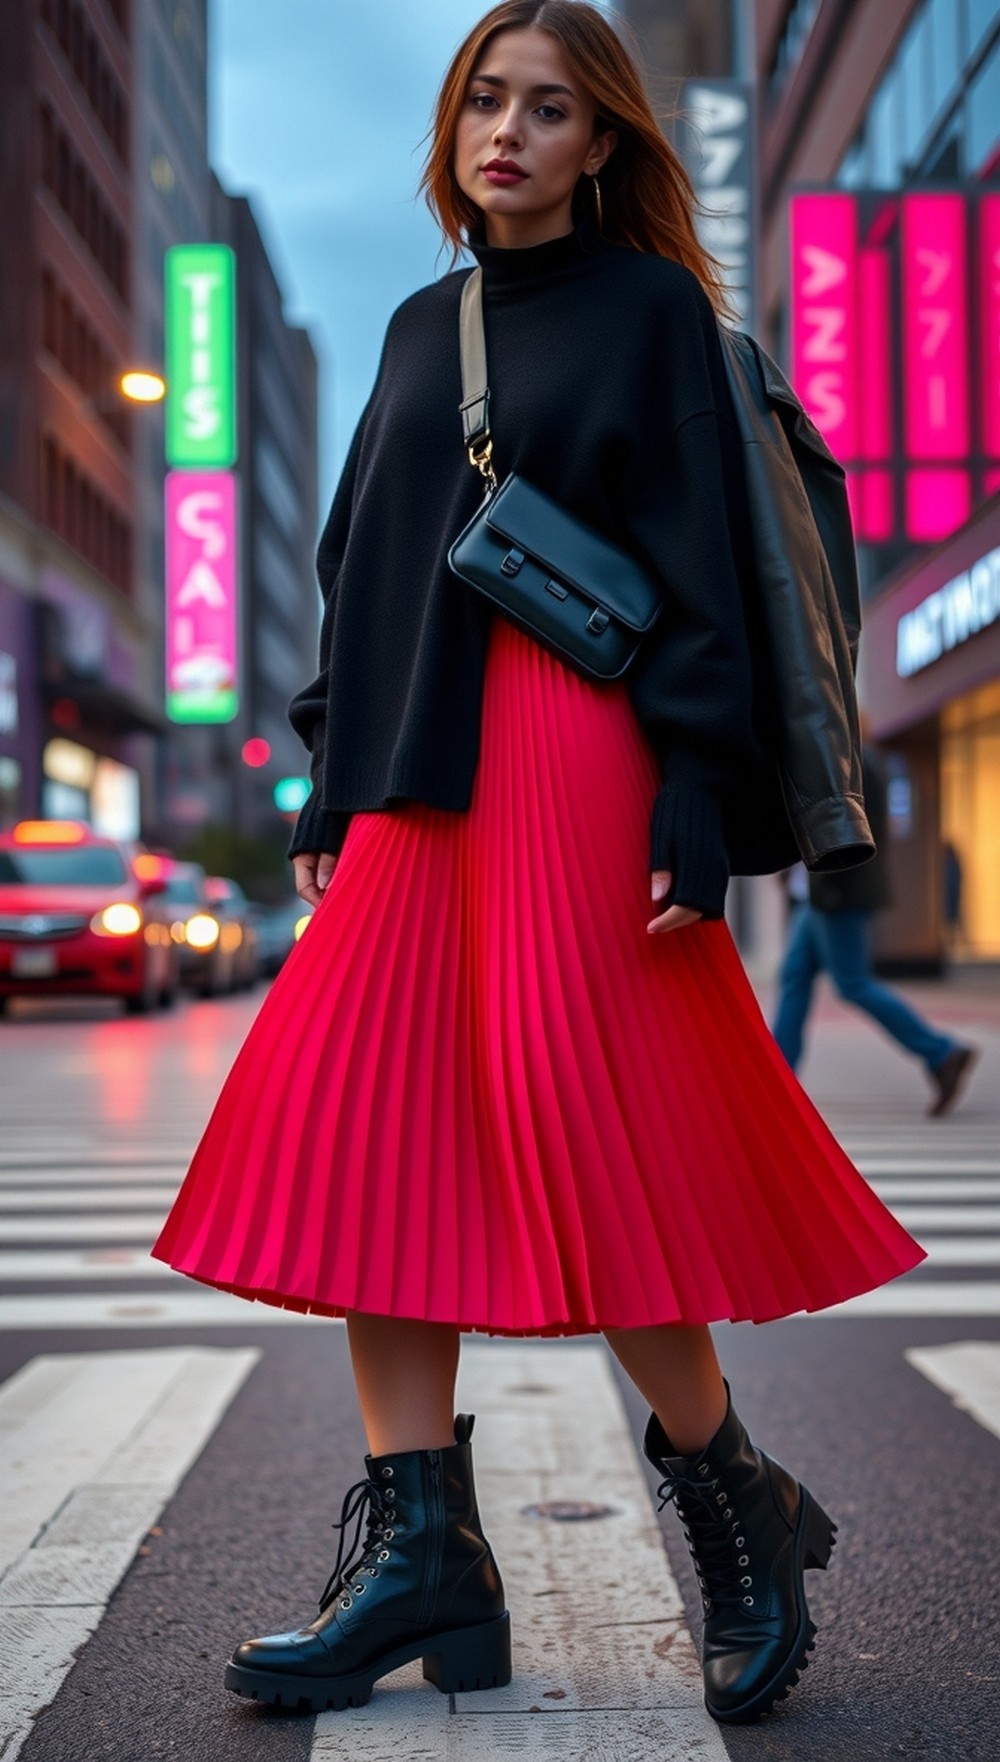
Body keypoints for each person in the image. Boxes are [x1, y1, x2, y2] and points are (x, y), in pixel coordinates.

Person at [151, 0, 925, 1729]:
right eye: (485, 100)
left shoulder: (657, 314)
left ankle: (736, 1499)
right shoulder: (423, 327)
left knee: (594, 1128)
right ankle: (425, 1544)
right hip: (413, 776)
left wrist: (696, 809)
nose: (508, 130)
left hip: (583, 758)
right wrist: (322, 796)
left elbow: (708, 568)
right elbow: (365, 565)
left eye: (550, 107)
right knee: (360, 1127)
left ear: (606, 144)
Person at [772, 744, 979, 1117]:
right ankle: (776, 1078)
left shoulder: (847, 758)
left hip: (834, 893)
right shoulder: (842, 755)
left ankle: (942, 1051)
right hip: (814, 894)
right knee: (794, 977)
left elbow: (853, 829)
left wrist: (834, 889)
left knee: (853, 983)